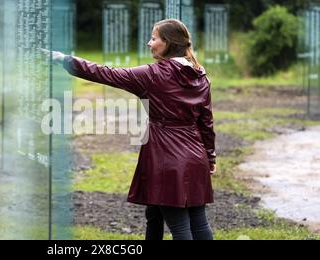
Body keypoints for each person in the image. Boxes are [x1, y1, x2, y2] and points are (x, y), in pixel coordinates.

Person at [47, 19, 217, 240]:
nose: (149, 43)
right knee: (188, 220)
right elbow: (206, 122)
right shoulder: (200, 74)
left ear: (168, 43)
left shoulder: (153, 74)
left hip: (166, 157)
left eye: (154, 38)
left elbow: (105, 73)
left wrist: (65, 60)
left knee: (181, 227)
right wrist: (210, 157)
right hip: (195, 157)